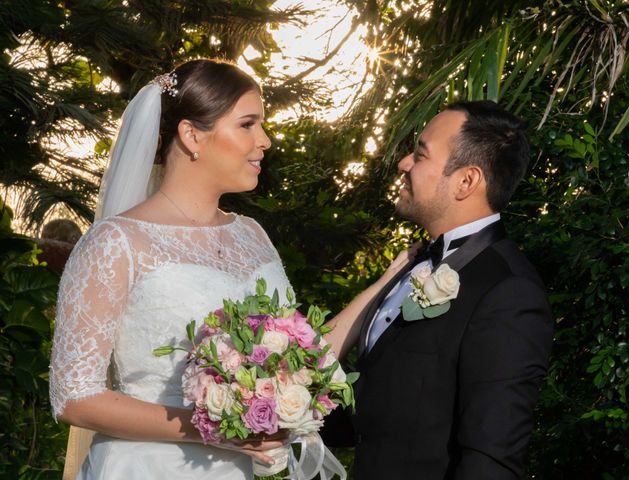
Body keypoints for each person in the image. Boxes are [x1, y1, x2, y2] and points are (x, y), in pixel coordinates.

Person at [49, 59, 291, 479]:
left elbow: (303, 346)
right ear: (192, 134)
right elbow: (74, 397)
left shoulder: (253, 234)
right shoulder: (117, 242)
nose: (265, 140)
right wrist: (212, 430)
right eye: (248, 124)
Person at [324, 101, 554, 479]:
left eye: (419, 154)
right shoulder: (414, 263)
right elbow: (384, 407)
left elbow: (490, 460)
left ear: (466, 181)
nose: (403, 163)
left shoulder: (508, 291)